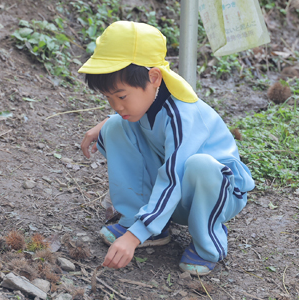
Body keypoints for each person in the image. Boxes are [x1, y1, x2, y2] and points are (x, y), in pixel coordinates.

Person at [79, 21, 255, 275]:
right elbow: (130, 126)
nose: (116, 105)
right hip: (176, 188)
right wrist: (107, 124)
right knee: (115, 125)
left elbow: (176, 175)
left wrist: (133, 238)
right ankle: (147, 224)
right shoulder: (145, 103)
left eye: (122, 96)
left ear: (154, 77)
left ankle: (208, 243)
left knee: (200, 165)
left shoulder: (182, 115)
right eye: (109, 98)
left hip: (216, 191)